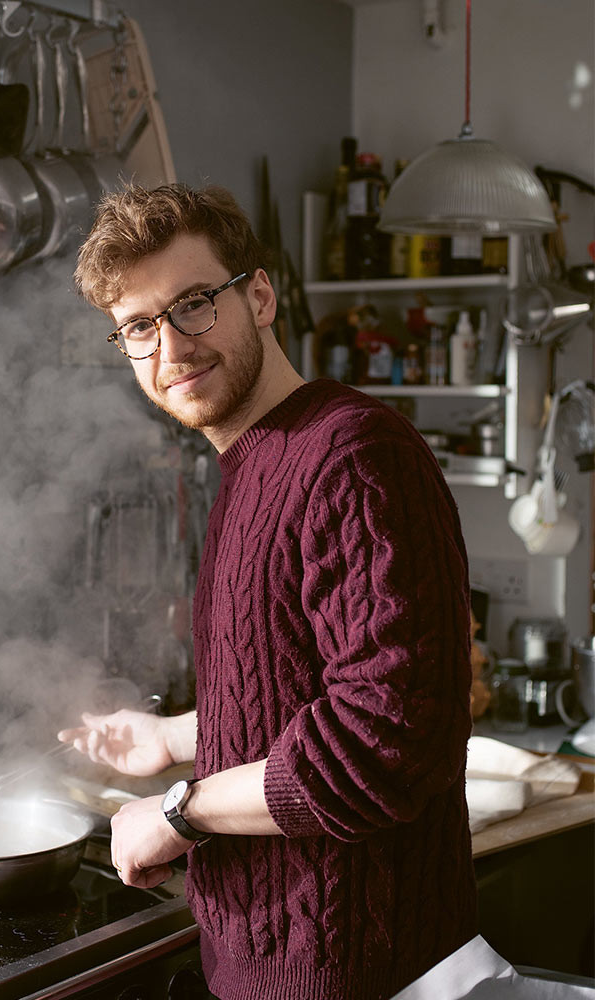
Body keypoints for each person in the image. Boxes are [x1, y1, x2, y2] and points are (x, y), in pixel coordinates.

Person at [61, 183, 478, 1000]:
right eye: (139, 327)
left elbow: (378, 741)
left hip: (355, 973)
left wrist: (178, 810)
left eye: (192, 304)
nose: (171, 350)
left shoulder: (352, 454)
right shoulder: (255, 466)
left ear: (258, 294)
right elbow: (296, 690)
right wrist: (178, 737)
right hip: (266, 966)